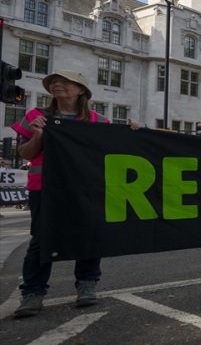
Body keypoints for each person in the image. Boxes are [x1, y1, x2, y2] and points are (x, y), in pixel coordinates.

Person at [11, 70, 125, 318]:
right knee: (42, 239)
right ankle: (33, 292)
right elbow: (26, 154)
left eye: (64, 81)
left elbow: (113, 150)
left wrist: (135, 132)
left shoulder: (99, 121)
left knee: (89, 235)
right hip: (45, 187)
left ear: (80, 90)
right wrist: (39, 134)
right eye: (53, 82)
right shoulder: (36, 117)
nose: (57, 85)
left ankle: (86, 285)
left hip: (85, 186)